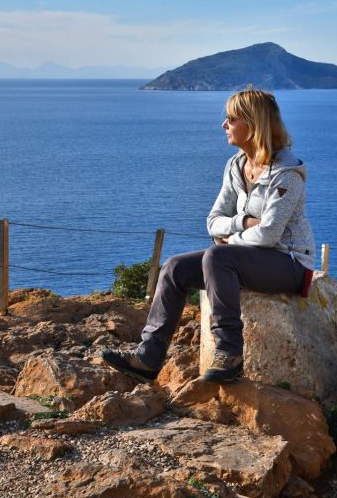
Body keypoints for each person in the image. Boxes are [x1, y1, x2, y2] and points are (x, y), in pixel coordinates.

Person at [101, 88, 316, 383]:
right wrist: (242, 222)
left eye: (231, 119)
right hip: (245, 258)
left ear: (252, 125)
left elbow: (268, 235)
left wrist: (232, 239)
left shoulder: (287, 173)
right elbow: (213, 221)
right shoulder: (235, 165)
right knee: (175, 267)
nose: (223, 124)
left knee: (218, 256)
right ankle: (148, 357)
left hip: (289, 263)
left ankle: (229, 353)